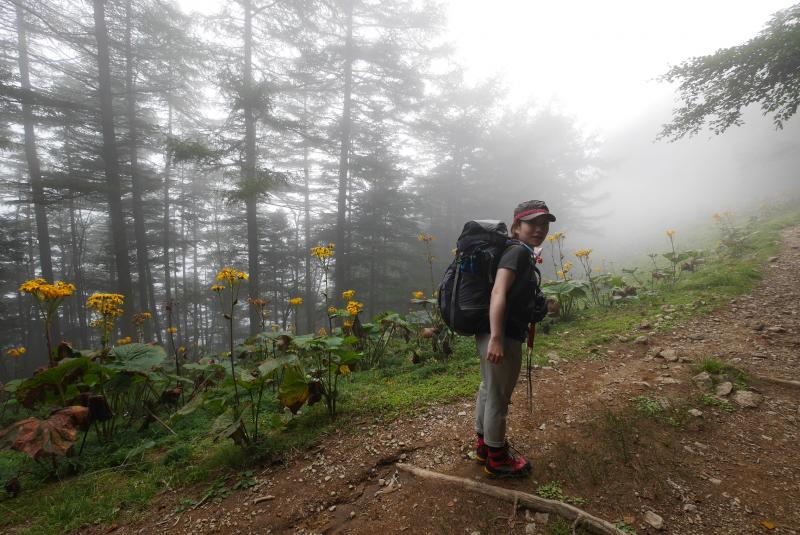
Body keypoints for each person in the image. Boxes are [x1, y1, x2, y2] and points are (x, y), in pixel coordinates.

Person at [474, 199, 555, 477]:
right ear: (516, 226)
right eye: (532, 223)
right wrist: (497, 338)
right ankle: (497, 459)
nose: (539, 229)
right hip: (502, 333)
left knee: (489, 388)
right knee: (498, 395)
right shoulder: (517, 252)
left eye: (544, 224)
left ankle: (484, 446)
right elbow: (498, 291)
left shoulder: (515, 250)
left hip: (490, 329)